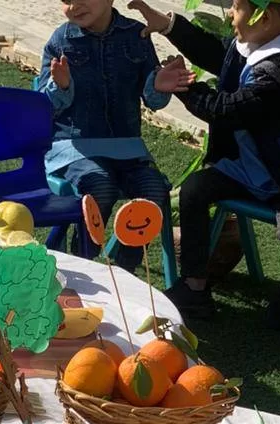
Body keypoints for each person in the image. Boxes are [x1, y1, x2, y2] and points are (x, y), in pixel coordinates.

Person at [130, 0, 280, 325]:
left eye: (235, 6)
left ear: (264, 17)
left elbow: (225, 110)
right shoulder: (261, 41)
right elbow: (220, 54)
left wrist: (183, 85)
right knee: (195, 189)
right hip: (249, 169)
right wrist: (168, 25)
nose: (230, 12)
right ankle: (194, 287)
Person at [37, 0, 191, 271]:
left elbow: (153, 100)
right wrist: (59, 86)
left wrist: (159, 86)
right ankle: (84, 262)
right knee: (101, 187)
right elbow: (41, 107)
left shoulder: (137, 35)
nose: (74, 6)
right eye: (66, 0)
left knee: (155, 190)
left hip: (128, 149)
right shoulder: (60, 40)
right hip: (74, 148)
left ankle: (123, 268)